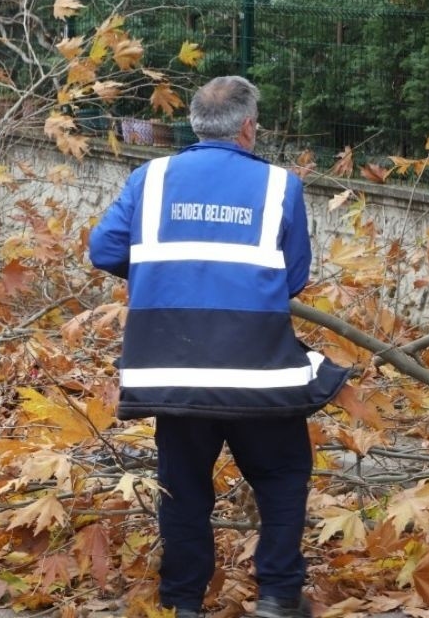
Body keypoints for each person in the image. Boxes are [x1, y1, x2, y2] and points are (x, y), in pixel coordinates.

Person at [88, 77, 349, 618]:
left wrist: (166, 271)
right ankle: (278, 594)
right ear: (249, 127)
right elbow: (293, 275)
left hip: (170, 370)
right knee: (281, 475)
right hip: (257, 371)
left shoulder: (150, 177)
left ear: (194, 125)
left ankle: (182, 603)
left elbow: (104, 248)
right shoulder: (281, 186)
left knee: (182, 488)